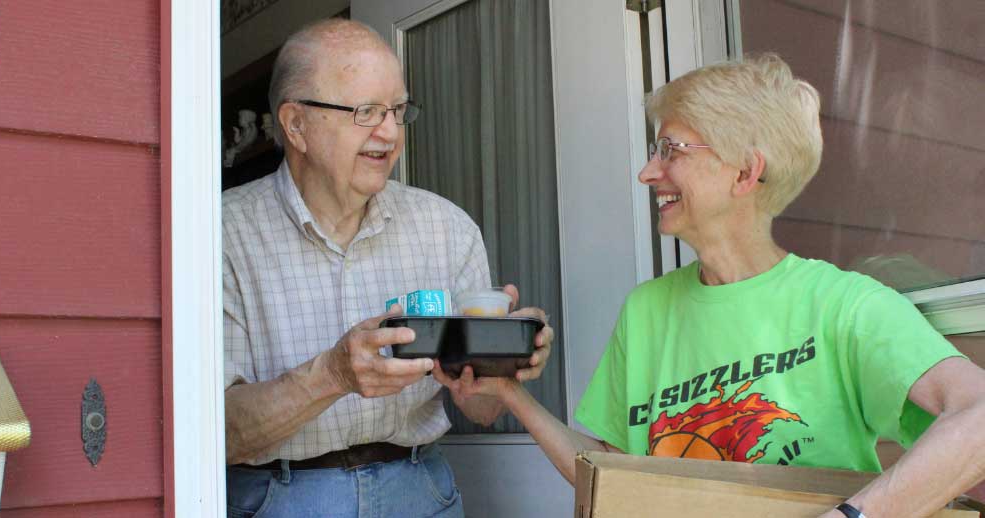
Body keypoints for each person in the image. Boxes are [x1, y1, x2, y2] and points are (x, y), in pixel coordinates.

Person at [452, 54, 985, 518]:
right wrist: (511, 394)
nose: (646, 172)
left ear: (744, 172)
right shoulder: (647, 310)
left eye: (671, 149)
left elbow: (978, 415)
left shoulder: (843, 305)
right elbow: (613, 475)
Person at [222, 19, 553, 518]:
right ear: (295, 125)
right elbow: (217, 433)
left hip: (420, 492)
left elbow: (481, 408)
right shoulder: (221, 234)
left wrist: (504, 364)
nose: (390, 132)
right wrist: (333, 374)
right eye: (365, 111)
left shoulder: (447, 227)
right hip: (279, 498)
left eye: (398, 111)